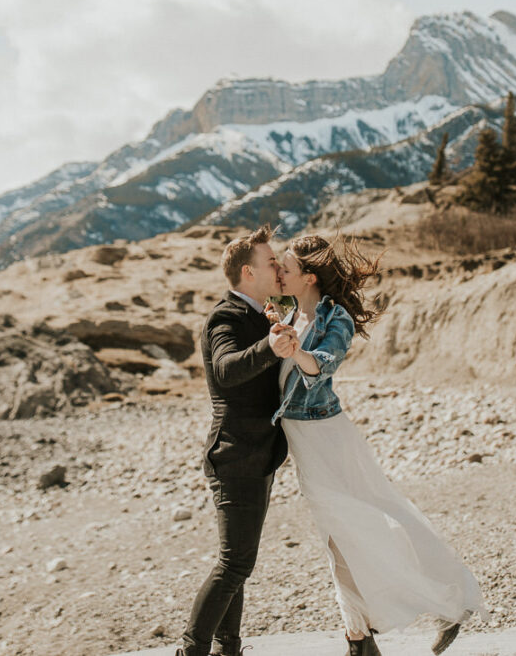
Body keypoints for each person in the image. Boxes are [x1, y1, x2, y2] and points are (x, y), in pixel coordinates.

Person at [267, 234, 484, 656]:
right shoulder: (292, 314)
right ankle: (359, 637)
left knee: (379, 520)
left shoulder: (336, 319)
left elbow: (323, 364)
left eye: (285, 269)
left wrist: (296, 352)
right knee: (339, 537)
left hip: (327, 437)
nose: (277, 273)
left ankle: (452, 601)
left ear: (309, 277)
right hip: (304, 440)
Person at [176, 225, 290, 656]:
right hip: (235, 454)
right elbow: (225, 370)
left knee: (237, 564)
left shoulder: (261, 314)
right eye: (271, 262)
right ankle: (193, 650)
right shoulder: (226, 317)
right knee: (234, 563)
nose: (277, 267)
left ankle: (228, 649)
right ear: (248, 273)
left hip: (255, 454)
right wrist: (269, 347)